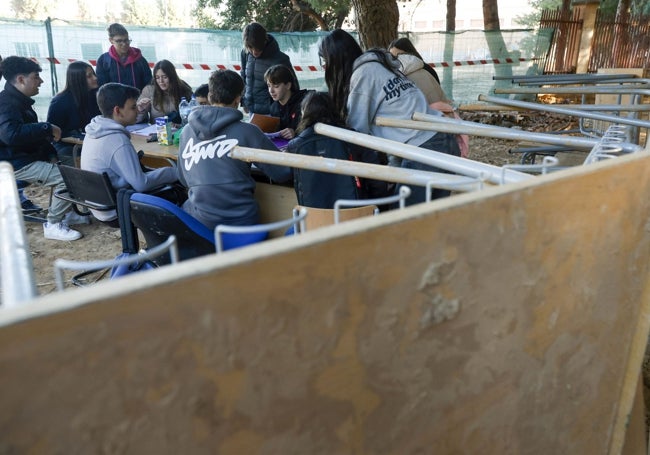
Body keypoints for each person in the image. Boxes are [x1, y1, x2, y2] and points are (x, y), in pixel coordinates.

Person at [318, 29, 460, 204]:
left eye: (324, 61)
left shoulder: (363, 74)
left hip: (424, 152)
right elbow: (397, 125)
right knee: (429, 220)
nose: (324, 67)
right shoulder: (381, 65)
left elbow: (355, 133)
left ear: (335, 59)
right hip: (443, 141)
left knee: (401, 223)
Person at [178, 69, 291, 230]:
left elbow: (183, 179)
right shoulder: (249, 131)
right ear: (238, 98)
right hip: (241, 223)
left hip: (200, 225)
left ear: (210, 96)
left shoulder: (187, 131)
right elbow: (282, 173)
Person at [0, 56, 88, 241]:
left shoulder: (20, 101)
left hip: (25, 157)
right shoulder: (6, 104)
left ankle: (67, 213)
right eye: (36, 77)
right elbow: (11, 135)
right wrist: (46, 127)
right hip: (13, 164)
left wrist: (51, 153)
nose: (41, 81)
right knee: (68, 179)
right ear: (21, 80)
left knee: (72, 168)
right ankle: (53, 223)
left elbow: (32, 135)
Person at [81, 82, 178, 224]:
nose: (138, 111)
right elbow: (141, 184)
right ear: (117, 111)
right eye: (133, 107)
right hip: (115, 209)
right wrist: (174, 171)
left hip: (99, 204)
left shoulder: (94, 130)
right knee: (177, 191)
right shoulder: (117, 140)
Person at [287, 91, 388, 208]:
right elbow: (377, 178)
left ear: (304, 113)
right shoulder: (354, 139)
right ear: (333, 111)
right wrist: (378, 207)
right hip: (356, 216)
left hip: (313, 221)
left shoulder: (295, 146)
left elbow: (281, 174)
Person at [46, 61, 101, 166]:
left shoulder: (96, 95)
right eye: (89, 76)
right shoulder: (60, 101)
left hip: (91, 142)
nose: (95, 78)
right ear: (78, 80)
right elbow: (51, 134)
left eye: (94, 74)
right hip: (68, 146)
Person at [240, 22, 299, 115]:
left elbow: (293, 86)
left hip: (272, 112)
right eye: (251, 47)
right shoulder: (245, 53)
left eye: (258, 48)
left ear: (265, 40)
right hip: (251, 110)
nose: (254, 52)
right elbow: (244, 77)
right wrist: (243, 101)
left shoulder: (280, 59)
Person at [96, 23, 152, 91]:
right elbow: (102, 89)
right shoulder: (103, 61)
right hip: (115, 101)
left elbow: (149, 84)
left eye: (126, 40)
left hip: (138, 100)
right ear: (111, 40)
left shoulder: (140, 60)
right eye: (119, 41)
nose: (124, 44)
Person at [136, 59, 193, 125]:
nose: (161, 81)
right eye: (157, 77)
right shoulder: (150, 90)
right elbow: (135, 119)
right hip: (157, 131)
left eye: (164, 77)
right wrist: (140, 110)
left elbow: (193, 115)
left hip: (179, 130)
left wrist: (180, 125)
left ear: (172, 76)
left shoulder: (184, 88)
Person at [264, 64, 311, 140]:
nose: (271, 91)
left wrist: (295, 132)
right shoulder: (274, 107)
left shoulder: (304, 104)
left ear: (288, 85)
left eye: (276, 86)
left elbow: (311, 130)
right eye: (269, 86)